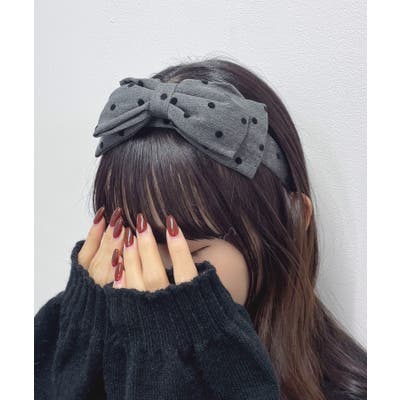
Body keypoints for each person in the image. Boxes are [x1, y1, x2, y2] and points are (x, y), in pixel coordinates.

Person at [34, 57, 367, 400]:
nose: (148, 276)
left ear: (293, 222)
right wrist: (78, 342)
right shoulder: (78, 343)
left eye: (188, 252)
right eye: (130, 242)